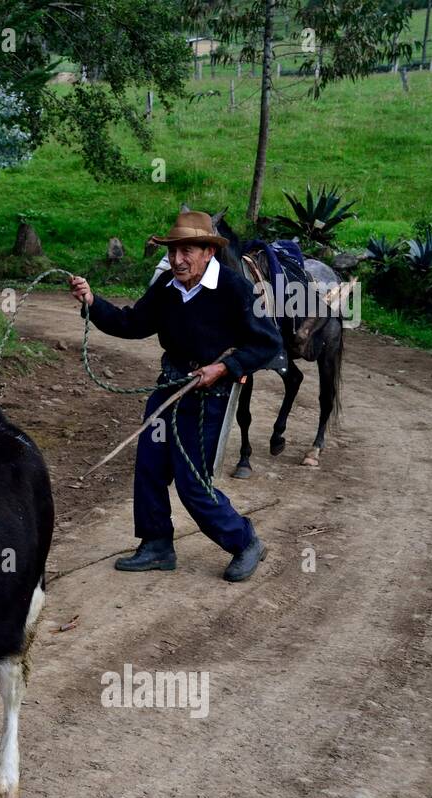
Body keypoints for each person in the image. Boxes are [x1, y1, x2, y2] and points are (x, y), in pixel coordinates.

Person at [68, 210, 281, 582]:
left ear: (208, 252)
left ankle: (245, 541)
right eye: (173, 252)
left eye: (188, 251)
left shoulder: (234, 289)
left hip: (207, 399)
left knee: (192, 484)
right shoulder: (167, 287)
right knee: (149, 466)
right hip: (168, 389)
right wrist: (92, 301)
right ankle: (156, 544)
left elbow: (267, 343)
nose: (178, 260)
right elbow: (132, 323)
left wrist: (224, 369)